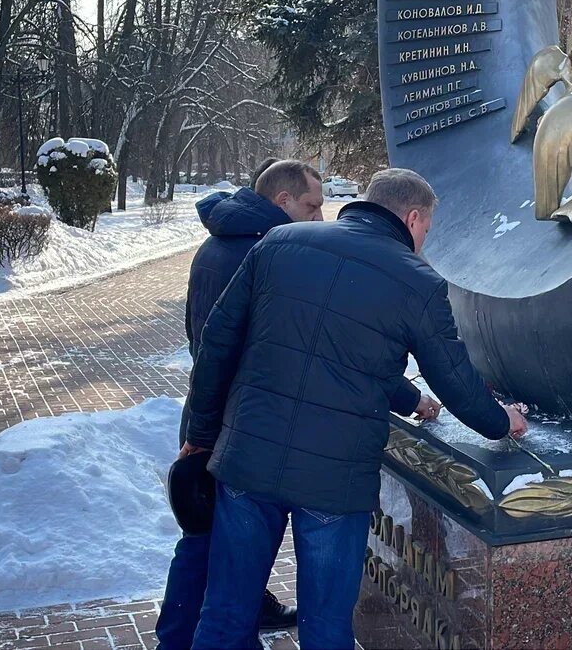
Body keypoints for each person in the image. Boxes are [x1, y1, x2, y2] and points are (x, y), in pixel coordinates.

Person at [182, 168, 528, 650]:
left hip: (247, 461)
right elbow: (456, 379)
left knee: (223, 617)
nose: (426, 240)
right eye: (427, 228)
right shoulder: (417, 281)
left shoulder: (280, 242)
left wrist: (200, 433)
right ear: (412, 218)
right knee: (325, 629)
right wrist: (501, 420)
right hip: (333, 483)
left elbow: (219, 342)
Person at [159, 160, 437, 649]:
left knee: (220, 590)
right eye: (312, 205)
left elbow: (307, 350)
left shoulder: (234, 245)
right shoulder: (270, 252)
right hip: (241, 430)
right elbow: (274, 351)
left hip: (237, 433)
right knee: (212, 570)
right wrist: (204, 435)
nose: (320, 218)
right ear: (283, 202)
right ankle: (174, 639)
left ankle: (181, 637)